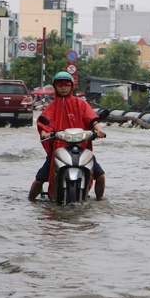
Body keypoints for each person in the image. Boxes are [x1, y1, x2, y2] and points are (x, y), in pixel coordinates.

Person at [29, 71, 106, 201]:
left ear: (71, 86)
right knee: (40, 179)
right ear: (55, 87)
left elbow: (92, 119)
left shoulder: (81, 104)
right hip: (59, 149)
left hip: (81, 147)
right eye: (59, 85)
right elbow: (43, 124)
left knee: (101, 176)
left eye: (66, 85)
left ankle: (99, 201)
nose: (63, 88)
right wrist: (45, 134)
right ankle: (30, 201)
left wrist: (99, 130)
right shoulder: (51, 107)